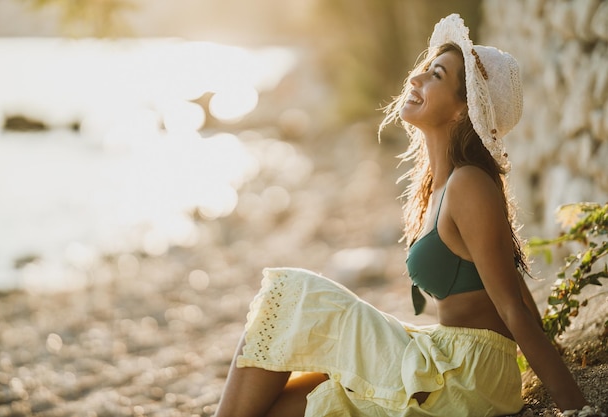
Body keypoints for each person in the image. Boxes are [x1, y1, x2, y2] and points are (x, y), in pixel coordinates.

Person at [213, 14, 605, 417]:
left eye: (436, 75)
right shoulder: (441, 185)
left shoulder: (468, 184)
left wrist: (575, 407)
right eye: (424, 69)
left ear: (461, 110)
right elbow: (514, 283)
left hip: (464, 376)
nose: (416, 79)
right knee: (285, 400)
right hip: (446, 361)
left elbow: (512, 306)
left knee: (291, 295)